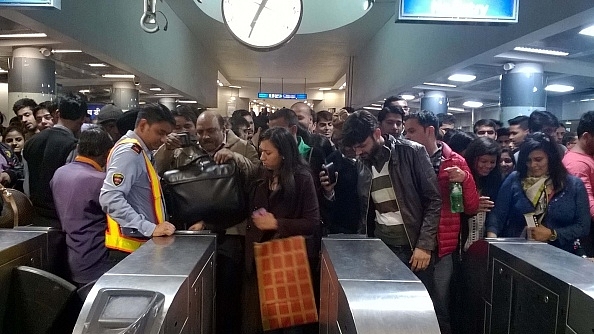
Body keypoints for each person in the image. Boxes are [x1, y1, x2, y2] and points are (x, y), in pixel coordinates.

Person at [341, 110, 441, 293]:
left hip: (413, 248)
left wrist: (424, 246)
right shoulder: (362, 163)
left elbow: (434, 200)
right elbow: (366, 210)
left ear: (377, 133)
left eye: (362, 145)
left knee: (426, 308)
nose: (358, 152)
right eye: (354, 148)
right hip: (380, 247)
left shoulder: (411, 152)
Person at [404, 110, 479, 334]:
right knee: (411, 305)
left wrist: (464, 180)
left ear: (430, 131)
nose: (406, 136)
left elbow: (472, 207)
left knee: (439, 306)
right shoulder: (405, 159)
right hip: (410, 242)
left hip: (443, 248)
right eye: (405, 131)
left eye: (411, 131)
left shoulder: (455, 161)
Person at [244, 127, 320, 333]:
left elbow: (312, 222)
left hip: (288, 263)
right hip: (260, 258)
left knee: (288, 323)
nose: (262, 157)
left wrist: (277, 223)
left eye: (268, 153)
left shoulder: (302, 178)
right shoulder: (261, 175)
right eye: (261, 151)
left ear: (284, 153)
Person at [486, 133, 590, 253]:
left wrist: (552, 234)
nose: (532, 165)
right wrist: (492, 242)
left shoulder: (573, 185)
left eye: (538, 160)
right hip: (517, 252)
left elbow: (583, 226)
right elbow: (498, 216)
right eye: (528, 160)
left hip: (560, 255)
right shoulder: (516, 179)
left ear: (551, 158)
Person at [99, 103, 176, 254]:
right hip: (128, 248)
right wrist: (148, 227)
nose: (164, 139)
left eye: (166, 134)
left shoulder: (142, 151)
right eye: (160, 132)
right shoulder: (129, 152)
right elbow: (109, 197)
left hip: (139, 245)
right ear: (143, 125)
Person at [51, 127, 115, 286]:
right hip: (97, 258)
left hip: (71, 254)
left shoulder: (60, 173)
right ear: (107, 154)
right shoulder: (101, 181)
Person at [563, 111, 594, 256]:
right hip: (586, 236)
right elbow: (588, 205)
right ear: (586, 136)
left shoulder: (586, 158)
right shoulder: (576, 164)